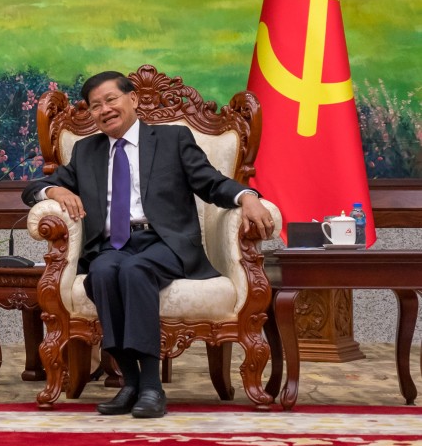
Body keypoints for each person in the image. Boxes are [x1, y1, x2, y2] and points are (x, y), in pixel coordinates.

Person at [21, 71, 275, 418]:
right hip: (112, 246)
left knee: (135, 270)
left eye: (111, 99)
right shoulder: (86, 150)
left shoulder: (172, 139)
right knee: (102, 273)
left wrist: (247, 197)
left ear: (133, 99)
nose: (104, 109)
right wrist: (55, 190)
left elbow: (211, 182)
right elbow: (33, 188)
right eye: (95, 106)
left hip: (165, 242)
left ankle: (152, 387)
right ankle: (130, 383)